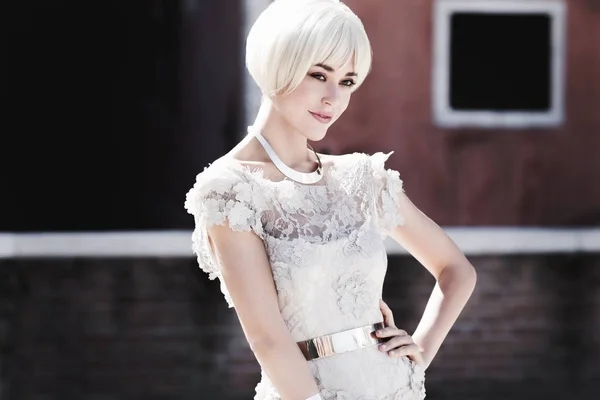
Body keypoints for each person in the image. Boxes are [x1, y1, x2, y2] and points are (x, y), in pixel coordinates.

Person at [184, 0, 477, 398]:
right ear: (279, 65)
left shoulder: (361, 178)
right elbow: (268, 340)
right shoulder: (230, 190)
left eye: (348, 82)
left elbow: (456, 270)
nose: (333, 98)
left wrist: (420, 351)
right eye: (319, 74)